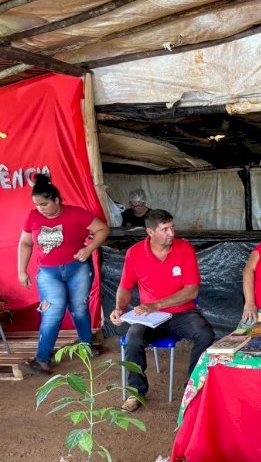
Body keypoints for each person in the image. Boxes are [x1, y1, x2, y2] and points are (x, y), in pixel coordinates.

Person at [110, 209, 214, 412]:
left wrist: (156, 304)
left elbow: (191, 291)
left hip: (182, 313)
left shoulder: (185, 249)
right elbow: (125, 286)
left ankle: (193, 388)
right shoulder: (135, 253)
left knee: (205, 334)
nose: (171, 233)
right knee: (133, 337)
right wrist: (119, 308)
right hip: (151, 316)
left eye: (172, 227)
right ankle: (135, 392)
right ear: (150, 232)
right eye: (165, 229)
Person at [17, 176, 110, 375]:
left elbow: (103, 229)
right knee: (52, 311)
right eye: (37, 204)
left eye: (44, 204)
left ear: (56, 200)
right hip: (49, 273)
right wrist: (21, 270)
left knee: (79, 308)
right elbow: (25, 243)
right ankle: (42, 360)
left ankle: (87, 348)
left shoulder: (76, 213)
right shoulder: (32, 216)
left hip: (78, 269)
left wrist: (89, 248)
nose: (40, 208)